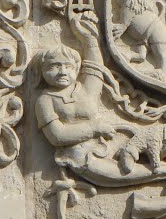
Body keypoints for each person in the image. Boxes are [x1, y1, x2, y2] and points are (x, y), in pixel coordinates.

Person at [35, 12, 120, 172]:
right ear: (42, 71)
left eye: (68, 67)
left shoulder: (85, 90)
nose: (62, 72)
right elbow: (57, 136)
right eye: (54, 67)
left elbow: (95, 69)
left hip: (104, 150)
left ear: (76, 69)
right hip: (81, 160)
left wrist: (89, 40)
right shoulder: (45, 100)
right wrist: (94, 128)